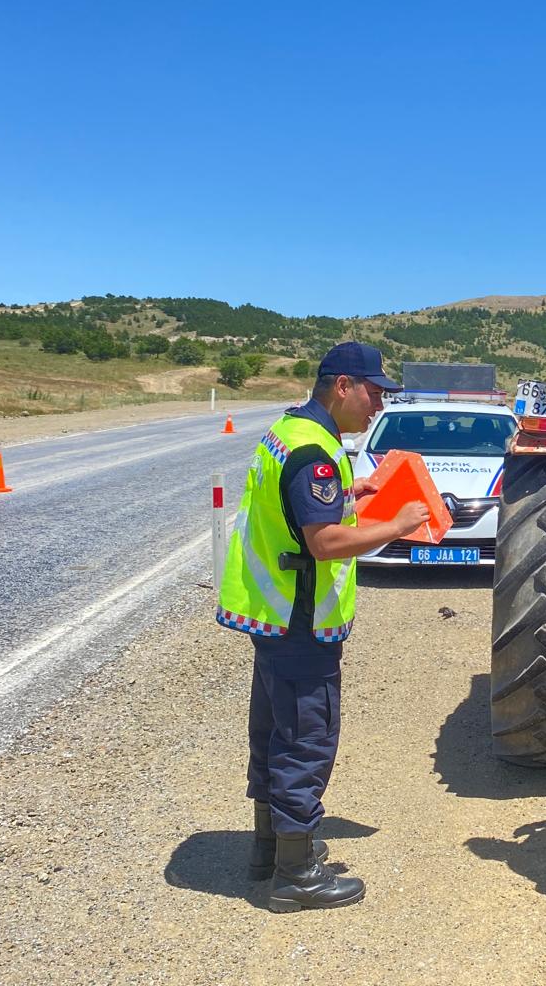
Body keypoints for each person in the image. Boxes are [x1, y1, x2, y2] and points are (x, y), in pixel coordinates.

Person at [217, 341, 430, 913]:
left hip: (274, 618)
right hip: (301, 623)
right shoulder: (313, 453)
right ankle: (298, 875)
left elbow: (298, 513)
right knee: (304, 740)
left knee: (272, 730)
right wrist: (397, 524)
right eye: (373, 392)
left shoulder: (289, 433)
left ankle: (269, 850)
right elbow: (324, 542)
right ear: (342, 385)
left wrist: (349, 494)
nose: (377, 406)